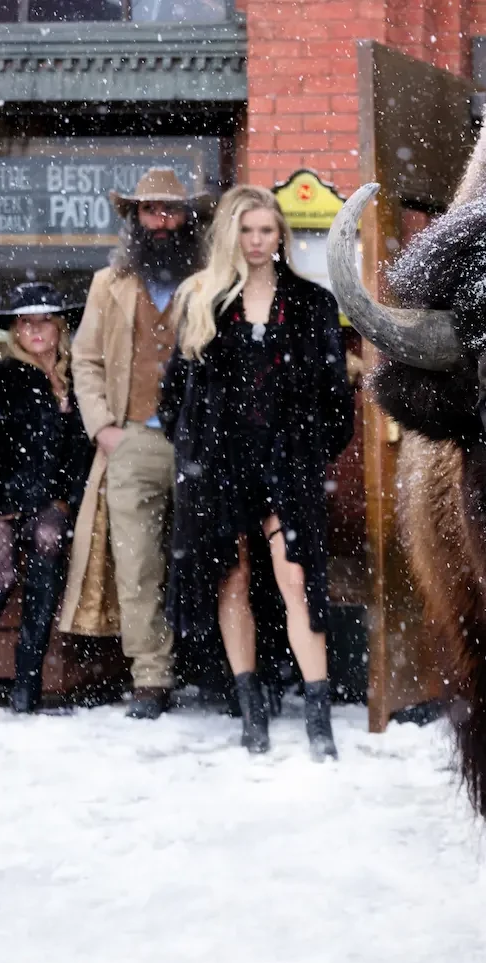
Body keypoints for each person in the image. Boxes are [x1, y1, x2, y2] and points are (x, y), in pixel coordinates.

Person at [160, 185, 354, 759]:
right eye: (246, 231)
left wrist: (307, 451)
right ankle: (251, 712)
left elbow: (335, 402)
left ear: (281, 237)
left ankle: (319, 716)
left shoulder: (313, 304)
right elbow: (174, 397)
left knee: (297, 582)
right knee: (233, 581)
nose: (256, 241)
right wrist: (199, 449)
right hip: (220, 466)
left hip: (287, 466)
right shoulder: (205, 303)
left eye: (266, 230)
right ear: (231, 236)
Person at [62, 167, 211, 719]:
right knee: (138, 565)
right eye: (151, 211)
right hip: (133, 443)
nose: (162, 221)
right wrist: (103, 427)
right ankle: (152, 677)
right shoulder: (109, 284)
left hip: (200, 445)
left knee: (209, 560)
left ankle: (216, 669)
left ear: (187, 218)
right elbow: (86, 359)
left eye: (171, 211)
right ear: (135, 219)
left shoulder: (212, 281)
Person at [0, 283, 91, 724]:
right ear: (15, 329)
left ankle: (27, 687)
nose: (34, 329)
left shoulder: (78, 380)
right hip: (3, 499)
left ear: (59, 326)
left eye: (43, 319)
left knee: (49, 540)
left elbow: (82, 454)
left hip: (52, 501)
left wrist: (65, 501)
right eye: (24, 321)